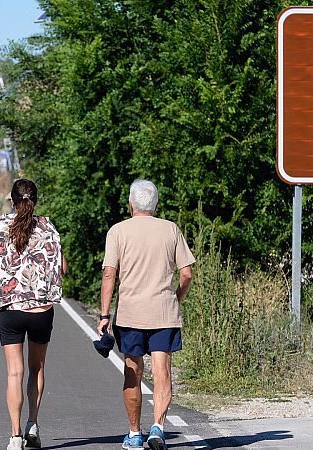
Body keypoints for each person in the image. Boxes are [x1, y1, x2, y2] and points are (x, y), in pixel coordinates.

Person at [97, 179, 195, 450]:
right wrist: (176, 298)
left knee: (133, 372)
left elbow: (109, 274)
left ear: (130, 203)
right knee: (162, 371)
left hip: (130, 314)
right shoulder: (170, 229)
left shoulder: (117, 232)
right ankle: (158, 427)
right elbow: (186, 273)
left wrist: (104, 315)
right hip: (164, 312)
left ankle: (134, 433)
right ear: (156, 204)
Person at [0, 178, 65, 450]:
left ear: (12, 201)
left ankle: (15, 437)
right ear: (35, 201)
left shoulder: (2, 225)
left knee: (15, 372)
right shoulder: (48, 227)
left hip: (10, 310)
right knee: (37, 368)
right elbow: (62, 267)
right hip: (41, 310)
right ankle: (32, 424)